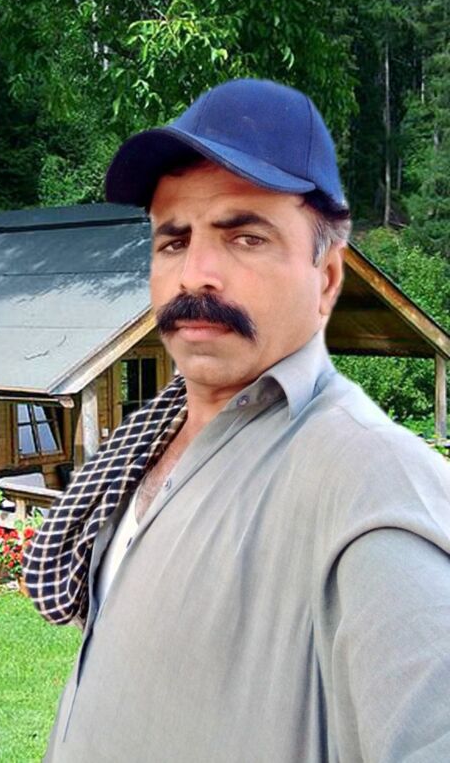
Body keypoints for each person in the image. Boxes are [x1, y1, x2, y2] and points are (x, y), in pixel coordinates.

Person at [23, 79, 450, 762]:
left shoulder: (371, 480)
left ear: (327, 278)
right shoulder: (146, 439)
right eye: (173, 241)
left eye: (246, 237)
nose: (195, 274)